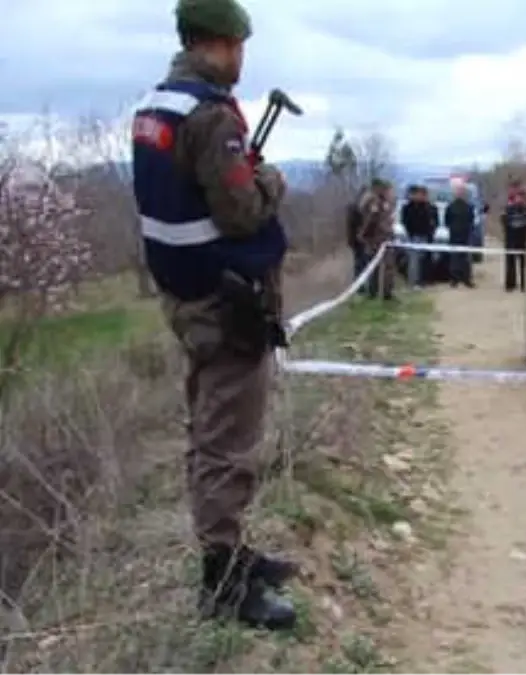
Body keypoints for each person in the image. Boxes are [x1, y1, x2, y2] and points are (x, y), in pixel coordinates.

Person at [132, 0, 296, 630]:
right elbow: (242, 209)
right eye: (238, 46)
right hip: (226, 304)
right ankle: (223, 583)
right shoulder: (209, 115)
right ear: (218, 42)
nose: (242, 59)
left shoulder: (156, 107)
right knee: (228, 441)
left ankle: (229, 549)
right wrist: (271, 180)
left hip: (187, 296)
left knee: (210, 423)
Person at [357, 179, 396, 300]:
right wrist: (364, 235)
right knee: (375, 266)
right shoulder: (373, 201)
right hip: (376, 239)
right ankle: (376, 292)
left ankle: (384, 291)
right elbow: (371, 220)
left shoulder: (384, 202)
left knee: (385, 266)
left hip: (383, 238)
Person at [501, 179, 526, 292]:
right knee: (510, 260)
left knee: (522, 261)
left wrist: (525, 225)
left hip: (522, 235)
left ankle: (523, 284)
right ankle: (510, 284)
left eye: (515, 187)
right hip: (510, 234)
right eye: (511, 188)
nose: (513, 190)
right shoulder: (508, 200)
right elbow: (503, 217)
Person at [400, 184, 436, 287]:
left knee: (423, 260)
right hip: (413, 236)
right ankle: (413, 281)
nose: (420, 196)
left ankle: (422, 280)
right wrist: (411, 233)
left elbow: (430, 221)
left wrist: (429, 232)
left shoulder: (427, 207)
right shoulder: (407, 208)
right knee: (413, 260)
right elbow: (405, 222)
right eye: (418, 194)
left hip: (425, 236)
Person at [444, 180, 476, 288]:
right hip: (454, 235)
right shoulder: (450, 207)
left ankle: (466, 279)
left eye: (461, 191)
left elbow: (471, 220)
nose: (459, 193)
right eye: (458, 191)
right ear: (455, 193)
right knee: (454, 258)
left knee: (466, 258)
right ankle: (454, 279)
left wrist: (468, 230)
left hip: (466, 235)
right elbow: (446, 221)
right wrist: (452, 229)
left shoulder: (469, 207)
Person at [345, 184, 371, 294]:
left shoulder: (359, 207)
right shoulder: (355, 208)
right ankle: (359, 286)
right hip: (358, 240)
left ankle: (361, 285)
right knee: (360, 263)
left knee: (362, 262)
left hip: (359, 239)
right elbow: (350, 225)